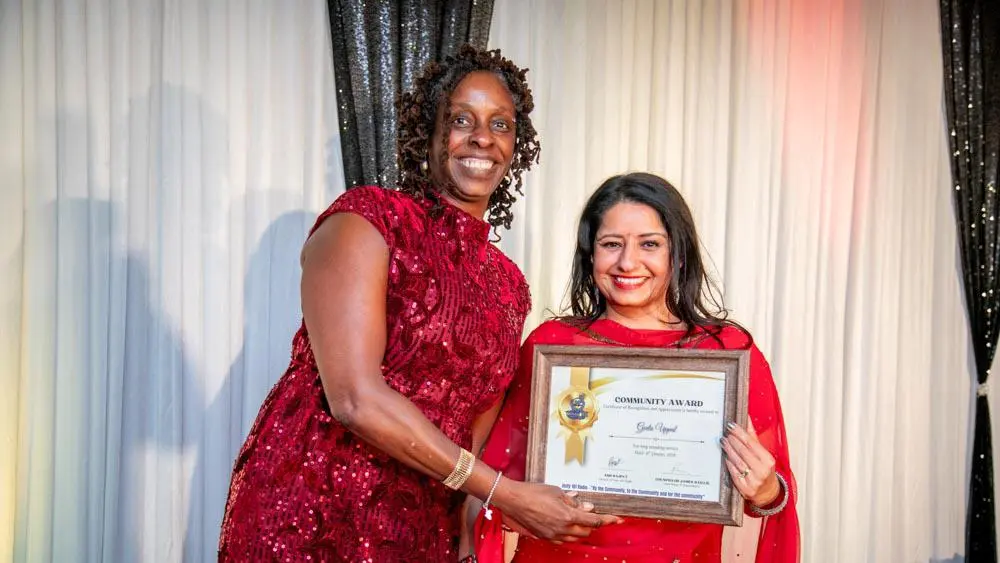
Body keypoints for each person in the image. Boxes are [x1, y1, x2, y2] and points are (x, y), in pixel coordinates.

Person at [218, 45, 617, 562]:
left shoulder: (508, 285)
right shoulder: (366, 220)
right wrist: (501, 491)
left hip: (423, 527)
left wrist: (470, 535)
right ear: (429, 132)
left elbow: (478, 433)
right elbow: (355, 399)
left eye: (501, 125)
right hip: (314, 509)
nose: (482, 138)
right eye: (461, 120)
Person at [472, 172, 801, 562]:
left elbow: (773, 496)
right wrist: (521, 508)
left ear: (677, 254)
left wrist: (766, 492)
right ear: (590, 254)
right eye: (611, 244)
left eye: (649, 244)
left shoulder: (727, 353)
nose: (628, 262)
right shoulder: (553, 346)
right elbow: (498, 480)